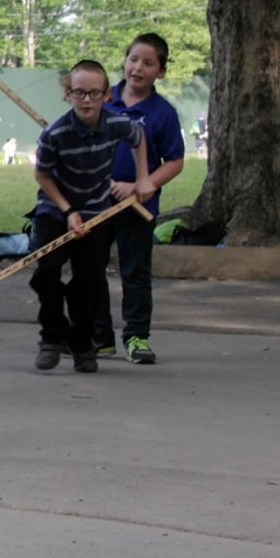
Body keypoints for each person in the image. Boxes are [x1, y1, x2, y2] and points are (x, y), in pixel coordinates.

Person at [30, 59, 153, 374]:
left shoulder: (117, 124)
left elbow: (138, 137)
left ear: (106, 95)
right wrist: (68, 210)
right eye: (79, 93)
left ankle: (83, 345)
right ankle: (52, 335)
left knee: (88, 283)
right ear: (67, 94)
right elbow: (42, 176)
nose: (86, 100)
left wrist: (143, 178)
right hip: (55, 209)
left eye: (94, 93)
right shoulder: (54, 134)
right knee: (46, 274)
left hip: (97, 212)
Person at [93, 33, 185, 364]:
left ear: (160, 71)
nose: (138, 68)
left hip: (137, 207)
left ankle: (136, 337)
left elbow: (175, 161)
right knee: (90, 270)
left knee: (135, 272)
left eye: (148, 63)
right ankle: (99, 337)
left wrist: (142, 183)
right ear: (124, 60)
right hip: (96, 205)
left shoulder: (163, 113)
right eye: (134, 59)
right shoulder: (101, 100)